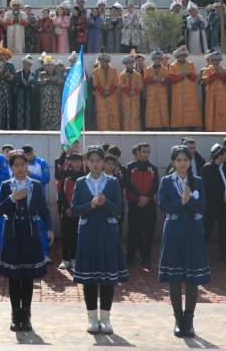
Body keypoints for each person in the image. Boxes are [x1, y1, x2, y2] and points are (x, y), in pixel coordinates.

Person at [71, 146, 128, 335]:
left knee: (107, 278)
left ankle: (105, 319)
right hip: (87, 233)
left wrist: (105, 203)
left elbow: (118, 209)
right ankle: (92, 319)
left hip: (107, 233)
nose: (95, 164)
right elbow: (75, 209)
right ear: (86, 162)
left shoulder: (113, 182)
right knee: (89, 278)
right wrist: (91, 204)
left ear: (104, 162)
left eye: (98, 160)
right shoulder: (80, 182)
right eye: (91, 160)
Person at [0, 149, 53, 332]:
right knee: (14, 278)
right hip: (12, 235)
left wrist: (49, 228)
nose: (20, 168)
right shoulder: (6, 185)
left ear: (27, 165)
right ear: (11, 167)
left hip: (30, 235)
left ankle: (26, 315)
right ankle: (15, 315)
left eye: (23, 164)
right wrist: (12, 198)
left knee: (28, 277)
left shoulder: (35, 185)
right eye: (16, 165)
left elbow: (43, 209)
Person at [157, 144, 209, 339]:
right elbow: (163, 205)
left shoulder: (198, 181)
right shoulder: (166, 181)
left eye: (185, 160)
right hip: (173, 232)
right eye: (178, 160)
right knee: (175, 277)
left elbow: (202, 207)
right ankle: (178, 319)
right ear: (173, 162)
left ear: (190, 161)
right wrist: (181, 201)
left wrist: (190, 201)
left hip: (193, 232)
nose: (182, 163)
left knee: (192, 278)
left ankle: (189, 320)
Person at [123, 142, 158, 267]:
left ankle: (146, 258)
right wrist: (139, 198)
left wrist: (147, 198)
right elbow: (128, 184)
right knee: (133, 232)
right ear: (137, 152)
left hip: (149, 204)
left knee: (148, 233)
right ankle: (130, 257)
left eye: (148, 152)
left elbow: (155, 185)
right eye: (144, 152)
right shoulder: (129, 167)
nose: (146, 154)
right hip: (134, 204)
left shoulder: (153, 168)